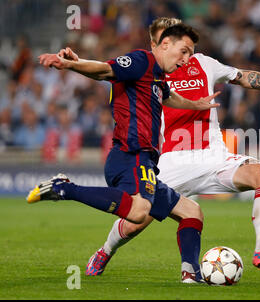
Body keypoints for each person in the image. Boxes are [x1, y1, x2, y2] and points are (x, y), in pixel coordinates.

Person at [85, 17, 260, 280]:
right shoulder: (149, 73)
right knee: (135, 222)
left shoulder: (205, 64)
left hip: (214, 157)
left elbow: (244, 77)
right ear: (159, 44)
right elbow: (108, 76)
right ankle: (105, 251)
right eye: (170, 38)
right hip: (170, 161)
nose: (180, 48)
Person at [27, 24, 221, 283]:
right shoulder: (141, 61)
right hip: (131, 154)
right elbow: (106, 70)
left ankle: (190, 273)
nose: (186, 60)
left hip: (146, 162)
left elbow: (168, 97)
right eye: (183, 51)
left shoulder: (157, 77)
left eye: (190, 54)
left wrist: (195, 104)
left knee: (192, 212)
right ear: (165, 45)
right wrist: (70, 65)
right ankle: (65, 188)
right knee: (139, 212)